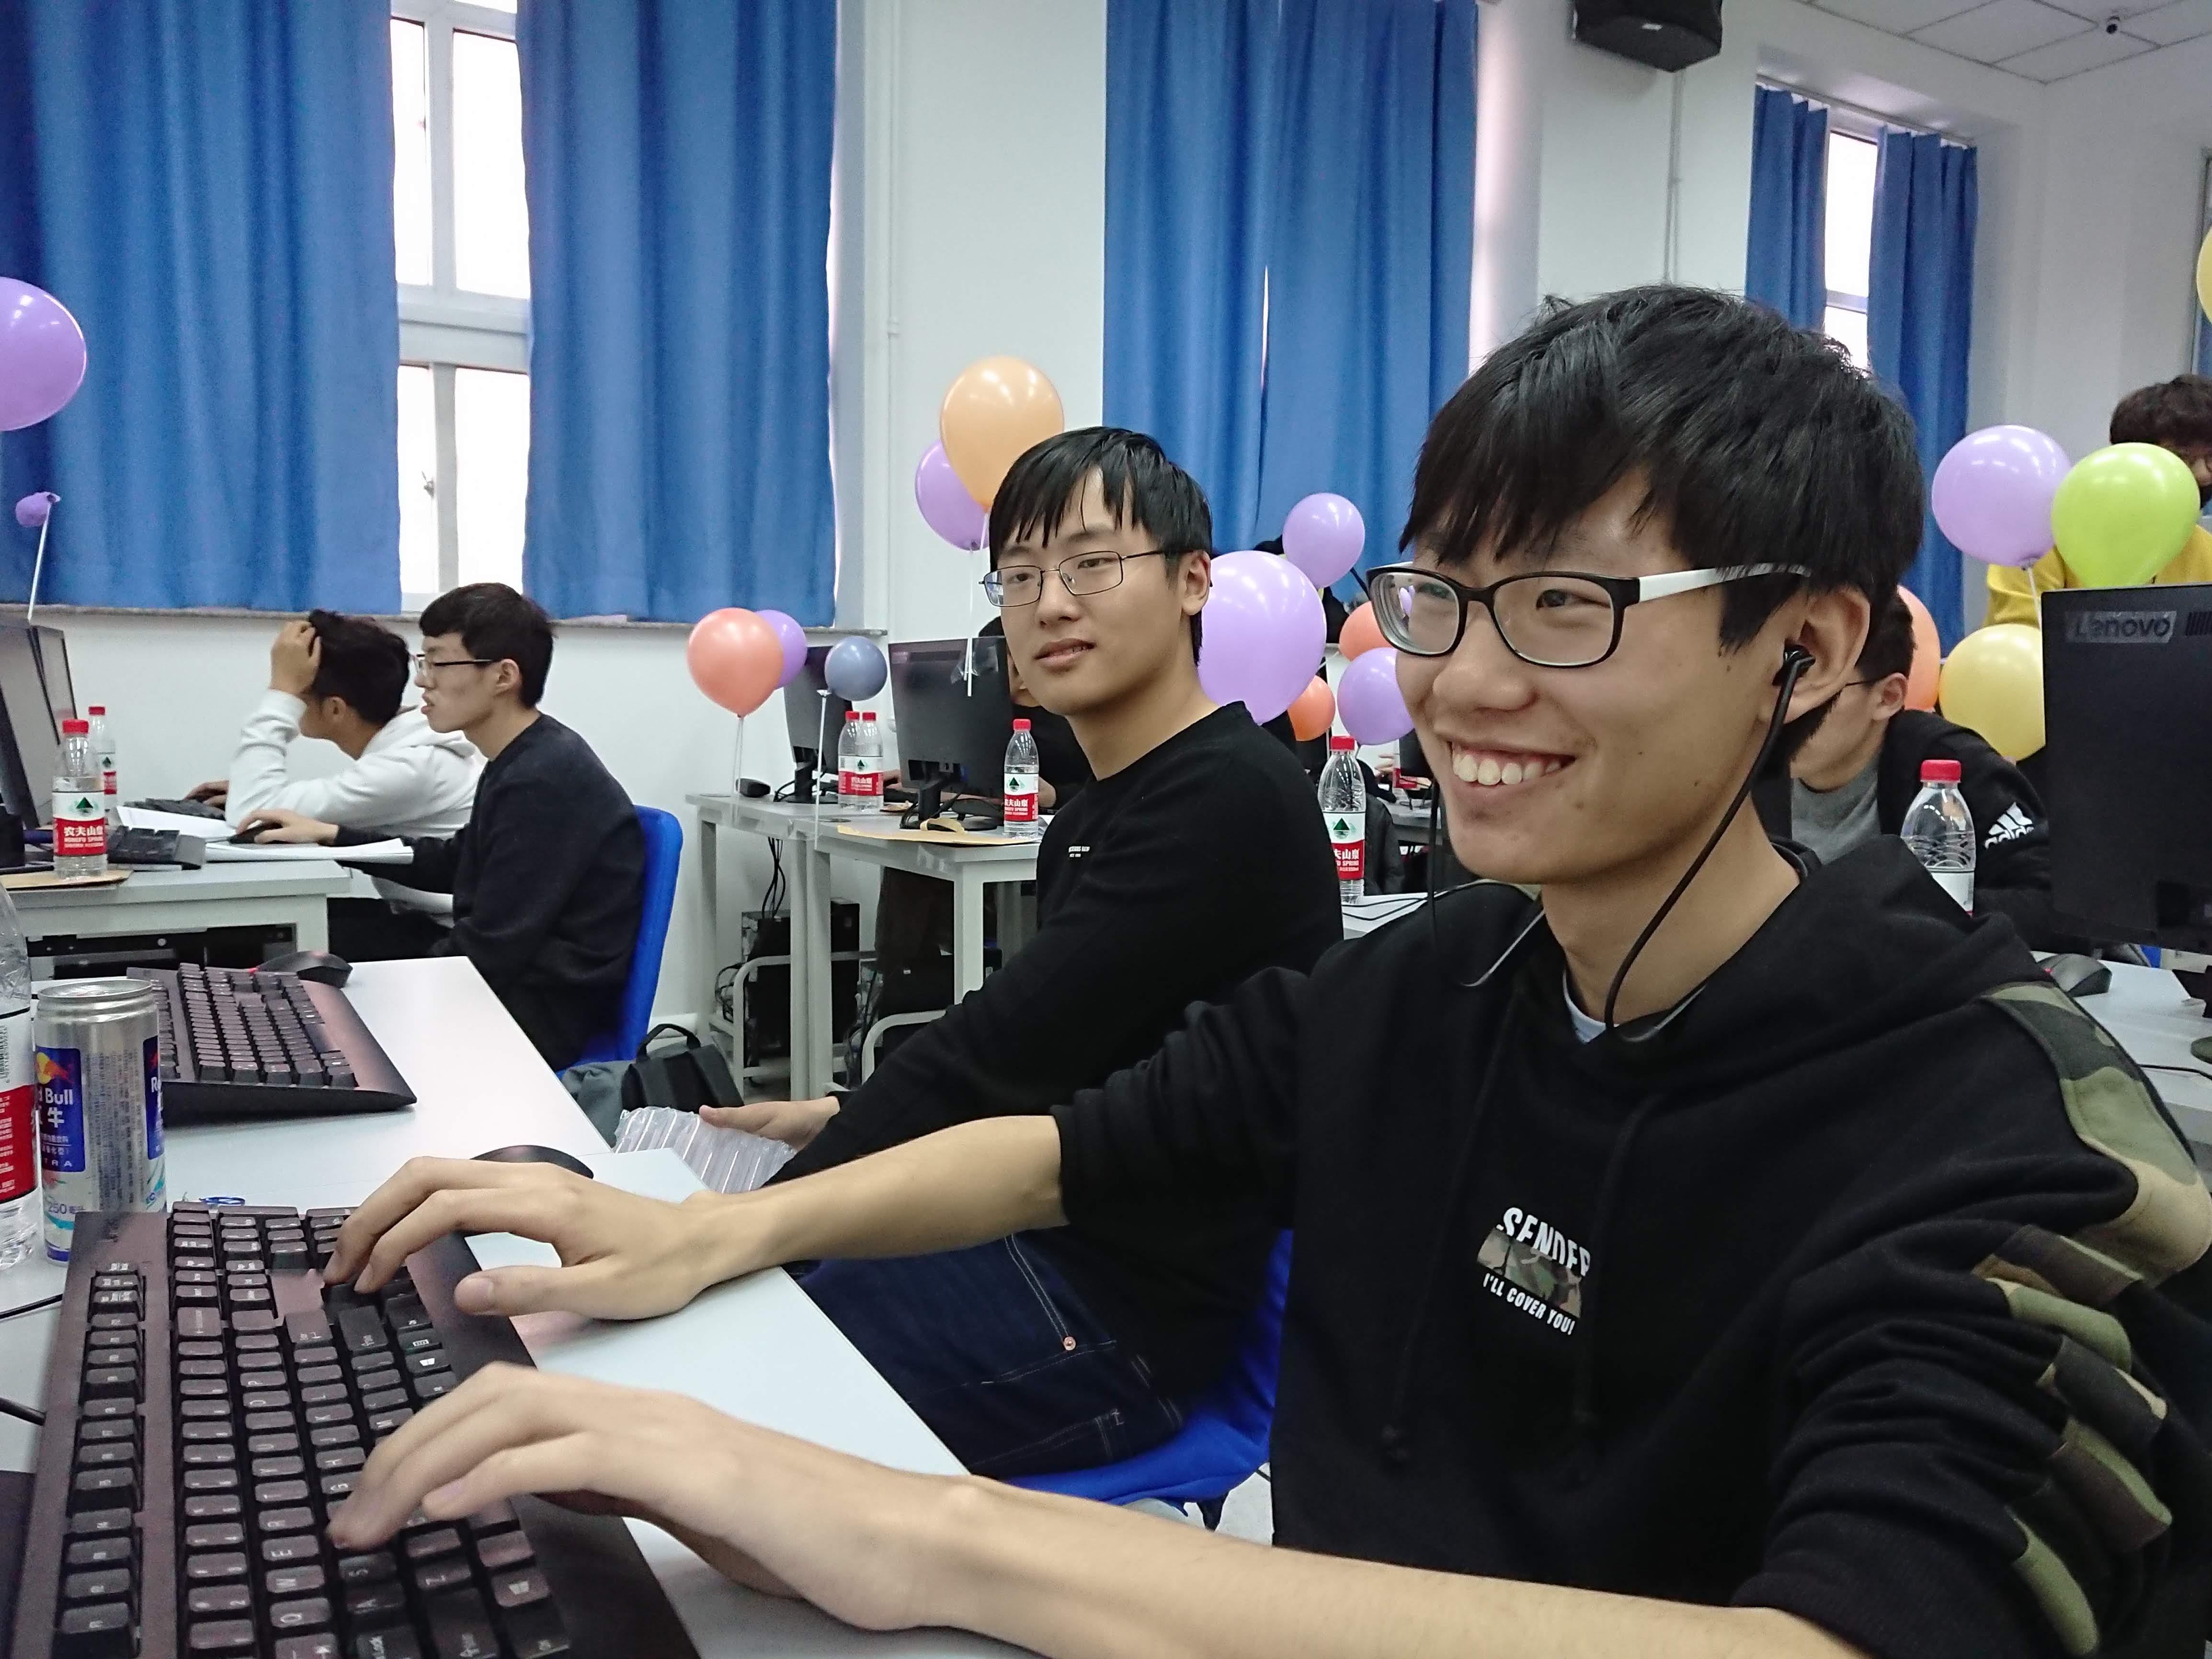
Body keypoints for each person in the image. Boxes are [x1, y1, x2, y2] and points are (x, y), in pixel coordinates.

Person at [321, 290, 2212, 1659]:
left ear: (1798, 651)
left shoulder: (1999, 1124)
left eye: (1565, 605)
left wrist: (930, 1531)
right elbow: (1068, 1143)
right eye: (1436, 596)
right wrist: (704, 1234)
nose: (1461, 681)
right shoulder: (1438, 977)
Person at [708, 427, 1341, 1475]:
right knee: (745, 1304)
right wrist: (834, 1119)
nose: (1048, 603)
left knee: (734, 1353)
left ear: (1193, 581)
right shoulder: (1091, 813)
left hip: (1117, 1314)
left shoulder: (1229, 794)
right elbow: (1062, 1045)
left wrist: (726, 1227)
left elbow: (991, 1052)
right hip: (1033, 1230)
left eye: (1091, 564)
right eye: (1019, 574)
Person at [242, 583, 642, 1071]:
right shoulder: (520, 757)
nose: (422, 682)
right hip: (507, 984)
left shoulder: (543, 779)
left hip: (533, 1013)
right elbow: (456, 861)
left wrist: (384, 987)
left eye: (438, 663)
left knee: (317, 1000)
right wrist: (333, 836)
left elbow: (493, 946)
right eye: (423, 661)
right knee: (314, 963)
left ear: (503, 676)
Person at [1760, 594, 2075, 949]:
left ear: (1888, 697)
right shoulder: (1744, 766)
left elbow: (2053, 906)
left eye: (1817, 688)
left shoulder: (1953, 768)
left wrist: (1897, 915)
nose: (1787, 709)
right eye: (1778, 681)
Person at [190, 611, 479, 837]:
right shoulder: (405, 751)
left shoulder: (410, 768)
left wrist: (280, 693)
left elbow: (250, 814)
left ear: (335, 709)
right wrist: (255, 791)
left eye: (297, 695)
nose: (290, 702)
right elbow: (256, 805)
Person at [1987, 374, 2212, 626]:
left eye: (2211, 459)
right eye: (2181, 458)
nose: (2203, 474)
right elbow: (2021, 633)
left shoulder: (2204, 548)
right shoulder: (2041, 534)